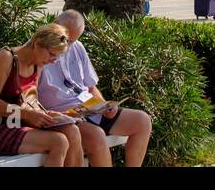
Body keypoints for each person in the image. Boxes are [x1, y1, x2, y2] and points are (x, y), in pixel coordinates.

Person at [39, 10, 154, 166]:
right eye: (64, 38)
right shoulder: (40, 52)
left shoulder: (78, 47)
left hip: (89, 107)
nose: (66, 45)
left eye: (71, 41)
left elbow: (91, 87)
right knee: (97, 136)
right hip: (65, 114)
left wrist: (104, 104)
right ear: (55, 23)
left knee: (142, 121)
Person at [0, 23, 83, 166]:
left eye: (56, 57)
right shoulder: (6, 58)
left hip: (22, 124)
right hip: (0, 127)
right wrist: (27, 114)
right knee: (59, 141)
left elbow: (31, 101)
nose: (53, 61)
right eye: (52, 54)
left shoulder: (37, 64)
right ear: (36, 43)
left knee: (72, 132)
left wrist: (44, 114)